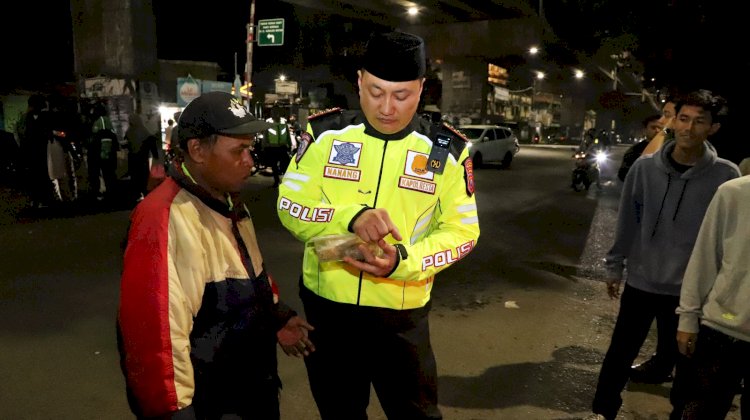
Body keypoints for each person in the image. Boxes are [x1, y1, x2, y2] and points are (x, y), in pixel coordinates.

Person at [276, 31, 480, 420]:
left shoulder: (444, 151)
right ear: (359, 81)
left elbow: (463, 232)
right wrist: (349, 217)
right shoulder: (325, 135)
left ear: (421, 89)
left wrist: (403, 261)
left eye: (401, 95)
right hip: (328, 316)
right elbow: (289, 205)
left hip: (401, 319)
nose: (387, 107)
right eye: (375, 91)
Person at [117, 91, 315, 419]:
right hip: (213, 404)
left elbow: (249, 273)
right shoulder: (163, 219)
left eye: (250, 149)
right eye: (239, 150)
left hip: (251, 390)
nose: (250, 162)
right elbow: (154, 341)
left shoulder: (227, 200)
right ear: (197, 150)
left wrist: (276, 317)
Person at [586, 89, 741, 420]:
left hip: (690, 292)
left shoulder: (726, 177)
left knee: (686, 369)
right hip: (642, 282)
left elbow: (731, 240)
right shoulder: (644, 170)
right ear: (673, 122)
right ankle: (602, 412)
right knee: (619, 354)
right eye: (683, 119)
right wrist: (615, 266)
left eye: (700, 122)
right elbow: (627, 220)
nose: (689, 128)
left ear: (713, 128)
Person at [671, 175, 749, 419]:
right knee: (701, 412)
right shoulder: (734, 192)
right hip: (722, 331)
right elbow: (704, 258)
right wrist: (688, 317)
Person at [17, 94, 53, 209]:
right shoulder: (28, 118)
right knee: (36, 176)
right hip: (34, 151)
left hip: (40, 151)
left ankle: (41, 199)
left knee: (39, 175)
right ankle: (37, 199)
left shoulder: (42, 117)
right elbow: (21, 134)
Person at [617, 114, 663, 182]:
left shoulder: (667, 149)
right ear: (645, 130)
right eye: (653, 127)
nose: (657, 131)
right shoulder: (635, 151)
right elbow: (623, 175)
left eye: (660, 128)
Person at [124, 113, 159, 202]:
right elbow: (151, 142)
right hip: (143, 158)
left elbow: (127, 143)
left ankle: (137, 194)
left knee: (135, 177)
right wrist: (155, 156)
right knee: (143, 176)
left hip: (133, 158)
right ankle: (145, 193)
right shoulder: (144, 131)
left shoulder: (129, 131)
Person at [262, 109, 292, 188]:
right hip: (272, 147)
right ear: (271, 114)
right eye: (274, 112)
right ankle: (276, 180)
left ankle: (286, 181)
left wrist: (290, 143)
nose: (275, 114)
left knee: (285, 165)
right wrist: (264, 145)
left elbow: (287, 133)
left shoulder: (283, 121)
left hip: (282, 146)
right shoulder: (268, 122)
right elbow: (265, 134)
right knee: (274, 165)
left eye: (277, 112)